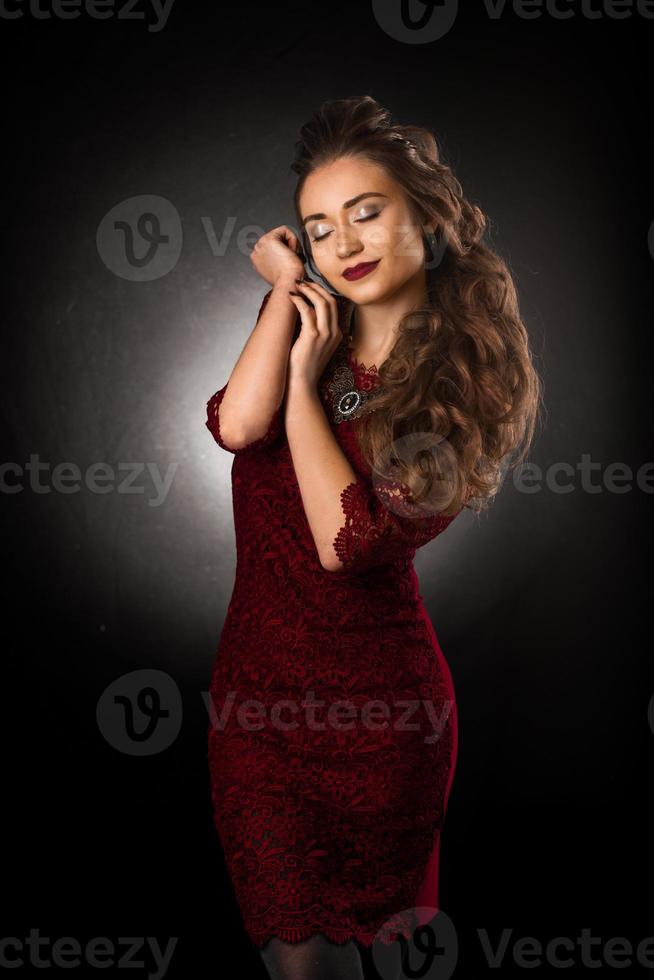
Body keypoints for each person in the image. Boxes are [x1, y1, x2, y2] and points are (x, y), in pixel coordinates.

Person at [205, 95, 543, 980]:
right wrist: (286, 295)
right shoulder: (317, 331)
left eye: (366, 212)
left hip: (382, 720)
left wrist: (308, 387)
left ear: (425, 220)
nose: (343, 243)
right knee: (297, 965)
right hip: (258, 711)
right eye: (318, 228)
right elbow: (239, 425)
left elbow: (347, 542)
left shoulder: (459, 385)